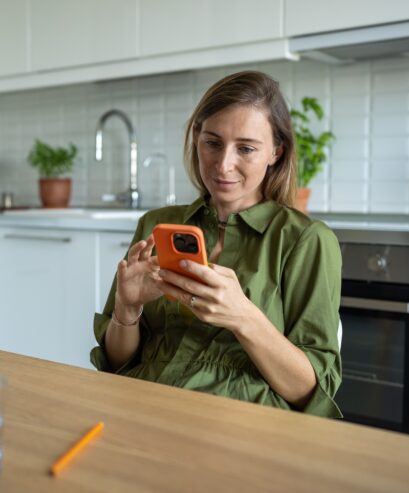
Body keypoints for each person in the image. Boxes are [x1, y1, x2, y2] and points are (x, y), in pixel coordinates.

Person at [90, 71, 342, 417]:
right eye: (212, 142)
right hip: (141, 408)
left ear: (276, 151)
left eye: (246, 148)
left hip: (239, 424)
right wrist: (127, 309)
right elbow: (116, 363)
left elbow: (311, 393)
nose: (223, 164)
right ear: (197, 137)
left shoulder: (306, 241)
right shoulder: (155, 225)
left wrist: (243, 318)